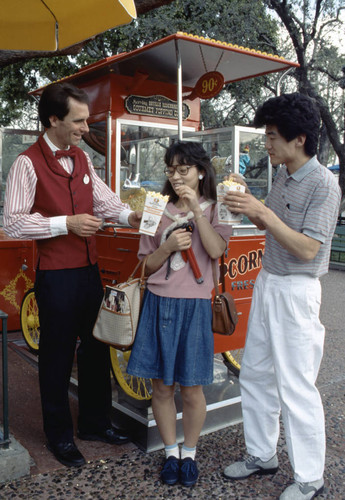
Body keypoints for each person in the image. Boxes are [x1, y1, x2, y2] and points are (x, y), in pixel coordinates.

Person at [3, 82, 142, 468]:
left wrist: (135, 218)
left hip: (89, 271)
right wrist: (66, 223)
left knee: (96, 348)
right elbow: (13, 223)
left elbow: (106, 203)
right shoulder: (26, 163)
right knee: (57, 356)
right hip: (57, 277)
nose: (85, 128)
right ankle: (59, 435)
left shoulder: (82, 160)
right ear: (53, 120)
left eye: (86, 120)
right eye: (78, 121)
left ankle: (95, 423)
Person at [222, 93, 341, 500]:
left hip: (297, 289)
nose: (266, 144)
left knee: (296, 385)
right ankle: (262, 454)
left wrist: (264, 213)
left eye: (272, 136)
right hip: (268, 281)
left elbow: (308, 248)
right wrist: (245, 203)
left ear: (299, 140)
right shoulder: (285, 175)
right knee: (254, 372)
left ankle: (310, 476)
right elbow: (267, 223)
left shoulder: (324, 184)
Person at [127, 141, 232, 487]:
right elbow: (144, 266)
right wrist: (168, 246)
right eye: (171, 169)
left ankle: (190, 455)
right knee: (161, 387)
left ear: (201, 171)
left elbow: (217, 250)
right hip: (159, 302)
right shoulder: (155, 207)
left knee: (192, 388)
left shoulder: (218, 208)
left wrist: (197, 213)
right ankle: (170, 454)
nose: (175, 176)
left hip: (195, 306)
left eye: (183, 169)